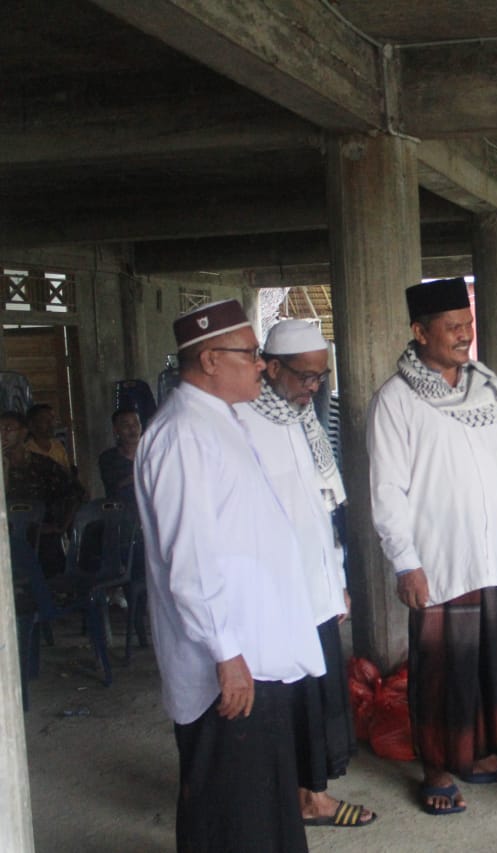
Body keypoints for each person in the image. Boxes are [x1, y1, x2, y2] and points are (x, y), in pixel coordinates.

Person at [135, 299, 324, 853]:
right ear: (211, 360)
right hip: (230, 660)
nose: (262, 366)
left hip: (254, 649)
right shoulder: (181, 434)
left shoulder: (221, 420)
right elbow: (189, 561)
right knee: (229, 810)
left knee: (259, 804)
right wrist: (227, 654)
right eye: (250, 355)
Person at [368, 278, 497, 817]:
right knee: (443, 672)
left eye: (467, 325)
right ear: (420, 333)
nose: (465, 335)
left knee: (494, 661)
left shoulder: (487, 389)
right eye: (453, 327)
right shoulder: (395, 401)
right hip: (439, 561)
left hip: (491, 555)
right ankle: (438, 769)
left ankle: (485, 757)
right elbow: (386, 491)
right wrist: (406, 563)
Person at [237, 319, 375, 829]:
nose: (313, 388)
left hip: (315, 587)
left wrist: (337, 579)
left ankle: (308, 795)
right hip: (275, 596)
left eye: (320, 378)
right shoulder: (242, 422)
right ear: (271, 368)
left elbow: (321, 509)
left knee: (316, 699)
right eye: (304, 377)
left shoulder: (302, 420)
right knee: (282, 701)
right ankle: (291, 799)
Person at [3, 409, 83, 575]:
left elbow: (75, 493)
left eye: (8, 429)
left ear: (23, 432)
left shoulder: (43, 465)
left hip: (42, 535)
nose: (2, 434)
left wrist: (61, 526)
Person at [98, 408, 142, 505]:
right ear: (116, 430)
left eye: (136, 423)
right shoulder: (108, 458)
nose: (132, 428)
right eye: (126, 425)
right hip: (120, 512)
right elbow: (113, 488)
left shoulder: (151, 454)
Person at [25, 403, 73, 471]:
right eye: (44, 420)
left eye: (52, 419)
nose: (51, 424)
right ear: (32, 424)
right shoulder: (27, 449)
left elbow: (67, 471)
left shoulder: (58, 445)